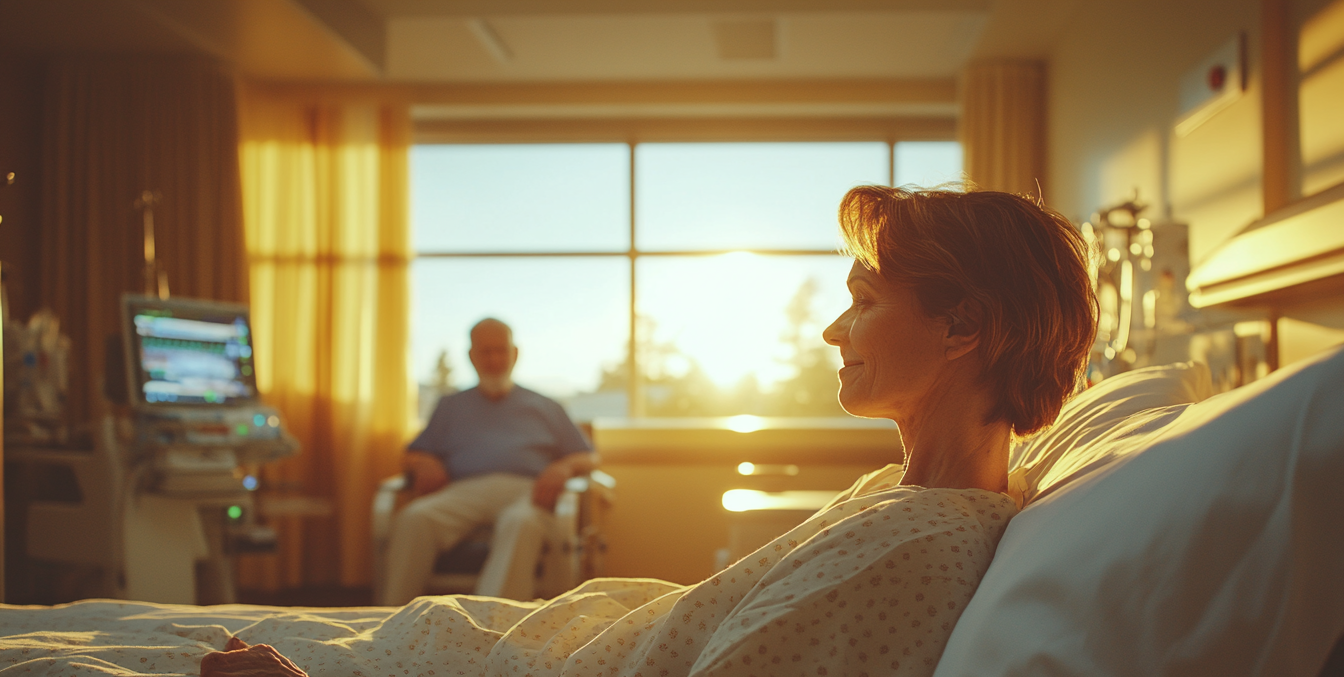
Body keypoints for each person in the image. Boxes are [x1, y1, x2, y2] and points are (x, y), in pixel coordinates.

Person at [201, 186, 1097, 677]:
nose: (833, 331)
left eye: (863, 303)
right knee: (414, 521)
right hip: (520, 635)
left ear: (963, 328)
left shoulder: (911, 549)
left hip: (524, 617)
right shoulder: (906, 500)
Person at [381, 317, 598, 605]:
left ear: (515, 354)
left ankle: (491, 629)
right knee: (414, 518)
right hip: (463, 492)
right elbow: (412, 451)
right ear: (471, 356)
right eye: (485, 351)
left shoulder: (547, 406)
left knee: (521, 523)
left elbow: (589, 455)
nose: (494, 359)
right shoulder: (450, 406)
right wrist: (422, 461)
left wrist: (564, 466)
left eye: (501, 350)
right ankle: (392, 624)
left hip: (527, 492)